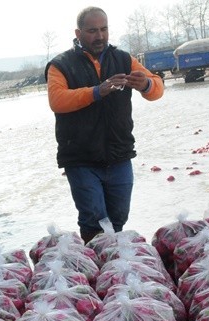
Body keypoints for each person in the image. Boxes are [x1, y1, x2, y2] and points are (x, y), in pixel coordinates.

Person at [46, 6, 164, 244]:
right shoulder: (61, 65)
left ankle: (115, 262)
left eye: (104, 29)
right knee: (94, 219)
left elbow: (157, 88)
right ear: (78, 34)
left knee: (119, 217)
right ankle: (98, 264)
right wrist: (98, 91)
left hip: (119, 154)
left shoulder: (122, 58)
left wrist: (145, 85)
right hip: (80, 159)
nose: (99, 36)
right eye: (92, 31)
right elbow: (57, 101)